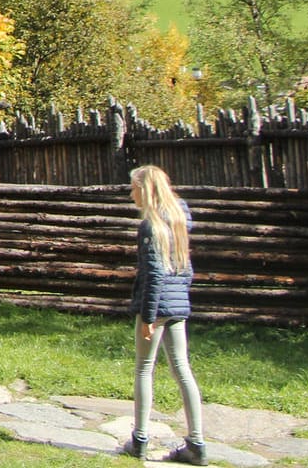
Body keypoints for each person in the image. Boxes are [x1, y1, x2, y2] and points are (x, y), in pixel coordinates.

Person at [122, 164, 207, 465]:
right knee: (182, 369)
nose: (131, 194)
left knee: (144, 368)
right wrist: (179, 300)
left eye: (133, 188)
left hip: (157, 306)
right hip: (178, 305)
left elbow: (154, 275)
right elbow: (185, 269)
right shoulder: (180, 218)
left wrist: (147, 317)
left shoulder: (151, 225)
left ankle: (140, 439)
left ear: (144, 189)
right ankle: (196, 443)